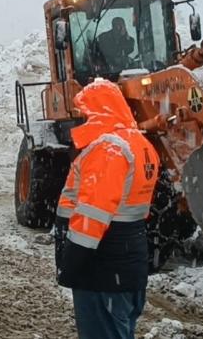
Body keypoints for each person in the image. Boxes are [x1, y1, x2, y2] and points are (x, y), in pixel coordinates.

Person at [54, 79, 160, 339]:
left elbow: (93, 216)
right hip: (126, 265)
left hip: (102, 270)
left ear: (99, 112)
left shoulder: (109, 150)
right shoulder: (140, 144)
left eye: (84, 113)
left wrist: (71, 263)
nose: (80, 120)